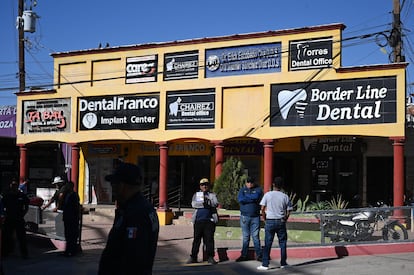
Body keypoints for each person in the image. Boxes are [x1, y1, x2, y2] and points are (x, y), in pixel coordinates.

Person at [98, 162, 159, 275]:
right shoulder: (139, 207)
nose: (112, 187)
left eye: (114, 183)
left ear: (122, 185)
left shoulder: (136, 212)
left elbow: (133, 257)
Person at [257, 177, 293, 271]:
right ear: (281, 186)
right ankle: (283, 263)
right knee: (282, 242)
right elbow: (289, 210)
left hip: (270, 220)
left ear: (273, 184)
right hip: (280, 221)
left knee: (268, 243)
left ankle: (265, 264)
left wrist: (264, 218)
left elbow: (262, 208)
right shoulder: (285, 196)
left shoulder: (268, 195)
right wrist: (285, 218)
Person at [187, 178, 219, 265]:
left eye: (206, 185)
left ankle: (210, 257)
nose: (204, 186)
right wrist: (202, 202)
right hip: (198, 220)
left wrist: (207, 201)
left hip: (209, 220)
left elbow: (215, 203)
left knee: (209, 240)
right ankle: (193, 256)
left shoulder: (212, 195)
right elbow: (194, 204)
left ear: (208, 186)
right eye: (202, 185)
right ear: (200, 186)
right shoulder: (197, 194)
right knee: (196, 240)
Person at [236, 176, 263, 262]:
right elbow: (240, 199)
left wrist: (247, 198)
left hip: (255, 217)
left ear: (254, 183)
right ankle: (244, 255)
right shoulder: (242, 190)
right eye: (248, 182)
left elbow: (256, 197)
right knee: (246, 237)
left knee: (255, 237)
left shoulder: (258, 189)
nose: (249, 184)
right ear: (246, 182)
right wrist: (251, 198)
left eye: (251, 182)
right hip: (245, 217)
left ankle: (259, 255)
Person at [2, 179, 30, 258]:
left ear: (17, 186)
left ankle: (24, 254)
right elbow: (2, 206)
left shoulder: (21, 195)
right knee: (6, 236)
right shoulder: (6, 196)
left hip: (19, 219)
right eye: (12, 185)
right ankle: (5, 253)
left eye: (15, 185)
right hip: (9, 218)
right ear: (10, 186)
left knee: (22, 237)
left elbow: (26, 205)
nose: (13, 186)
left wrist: (23, 214)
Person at [61, 181, 81, 257]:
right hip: (67, 217)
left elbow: (76, 207)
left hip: (72, 218)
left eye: (67, 186)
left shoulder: (74, 195)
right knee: (67, 235)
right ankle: (67, 250)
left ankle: (72, 251)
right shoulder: (66, 195)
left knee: (72, 235)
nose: (66, 187)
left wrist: (76, 216)